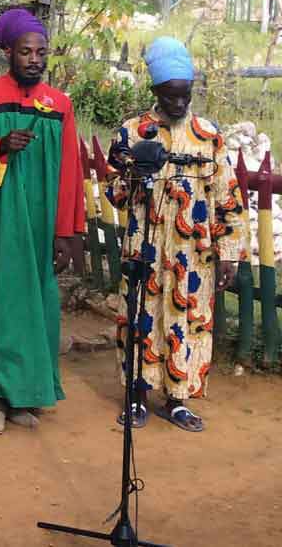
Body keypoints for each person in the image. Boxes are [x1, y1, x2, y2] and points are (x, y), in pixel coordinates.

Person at [0, 8, 84, 436]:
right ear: (8, 52)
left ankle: (24, 395)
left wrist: (67, 231)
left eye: (40, 52)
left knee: (36, 305)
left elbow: (70, 173)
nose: (33, 59)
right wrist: (0, 147)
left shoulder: (59, 106)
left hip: (41, 221)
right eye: (25, 51)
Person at [106, 37, 246, 433]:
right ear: (155, 92)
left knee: (189, 320)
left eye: (185, 96)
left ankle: (178, 400)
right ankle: (135, 396)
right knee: (139, 320)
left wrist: (230, 253)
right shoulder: (133, 132)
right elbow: (114, 193)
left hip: (193, 252)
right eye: (170, 97)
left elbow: (228, 197)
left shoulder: (207, 135)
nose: (179, 105)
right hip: (145, 247)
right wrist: (136, 172)